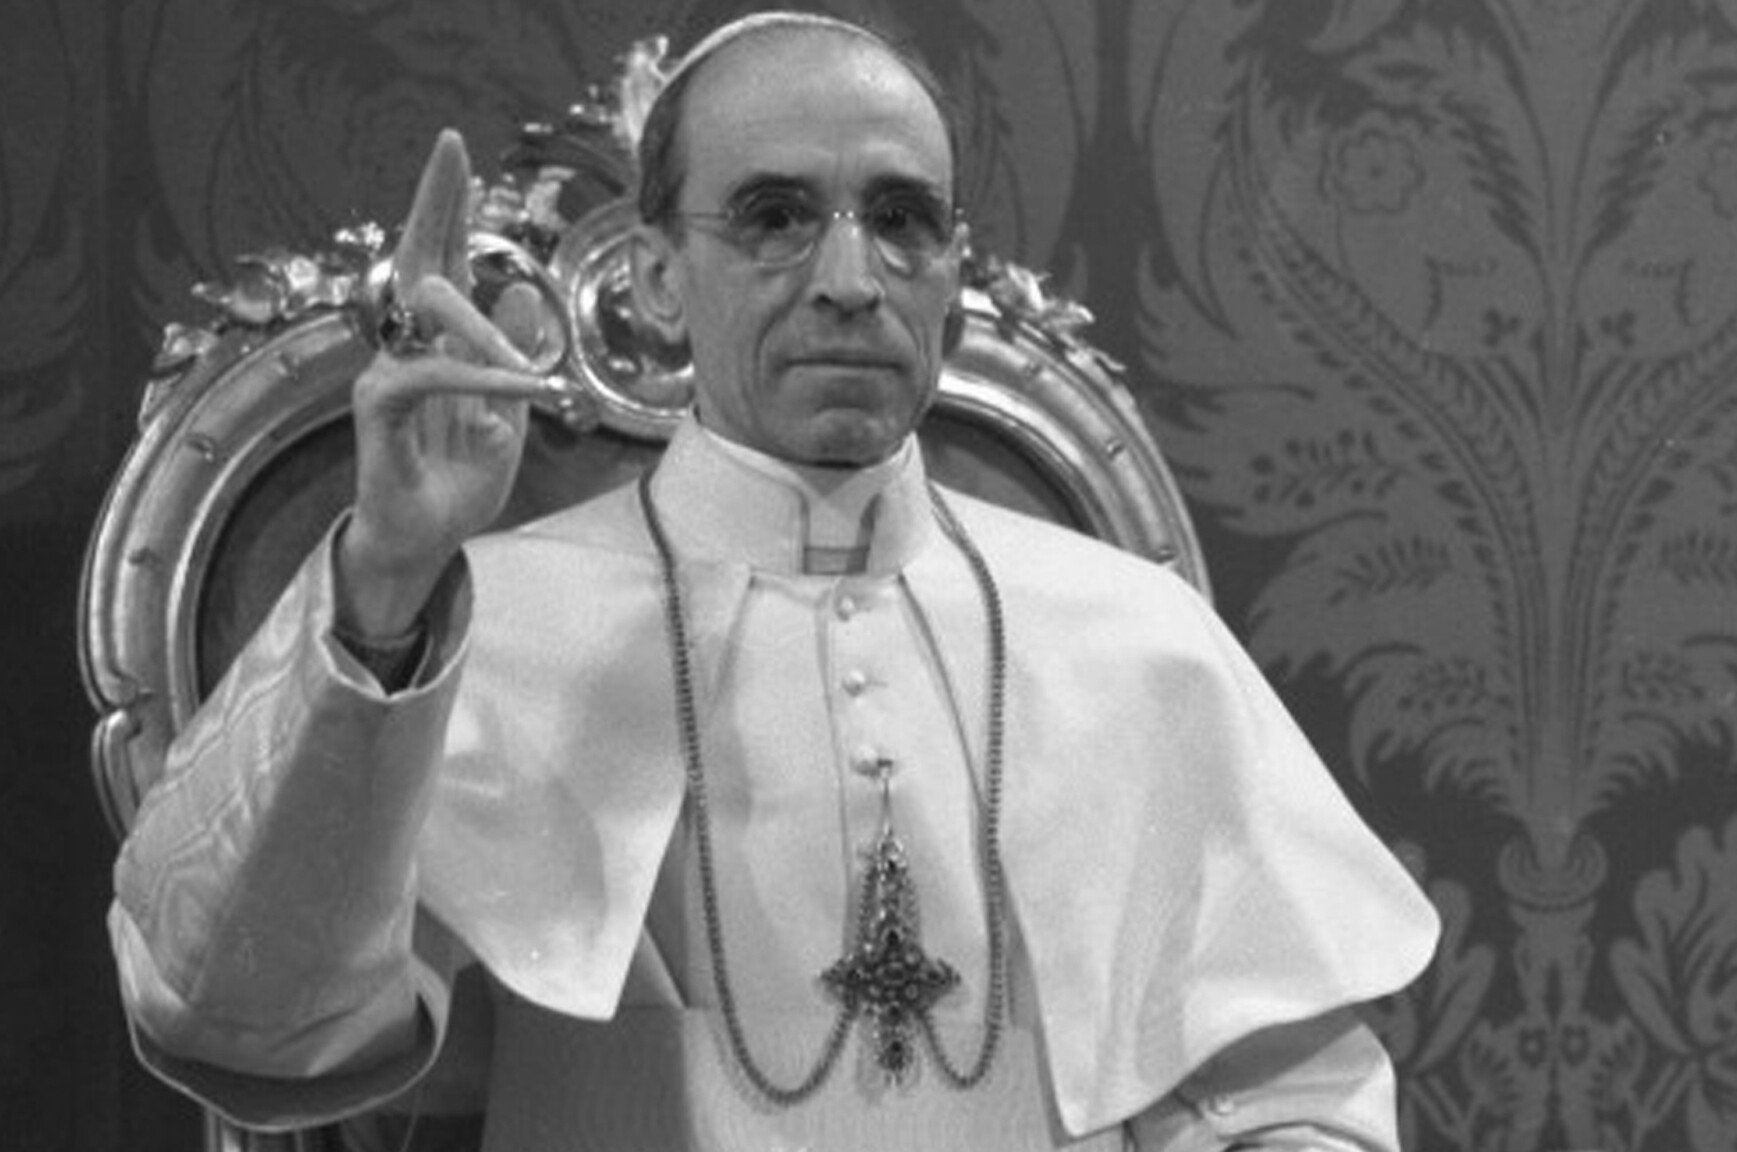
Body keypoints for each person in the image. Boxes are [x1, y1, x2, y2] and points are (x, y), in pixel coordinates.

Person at [107, 11, 1439, 1151]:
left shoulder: (1138, 642)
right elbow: (241, 1012)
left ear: (952, 272)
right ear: (657, 279)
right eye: (776, 218)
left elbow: (1285, 1094)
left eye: (901, 221)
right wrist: (388, 574)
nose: (851, 281)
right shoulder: (488, 630)